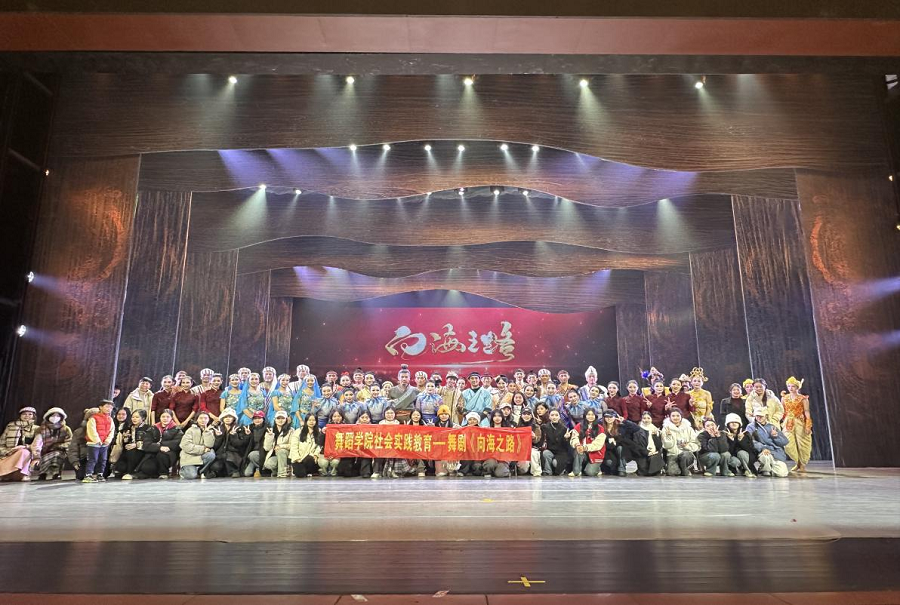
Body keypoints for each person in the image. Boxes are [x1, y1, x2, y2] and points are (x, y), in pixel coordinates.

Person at [135, 408, 183, 479]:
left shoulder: (177, 429)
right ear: (160, 418)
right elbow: (146, 444)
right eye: (163, 416)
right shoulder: (153, 428)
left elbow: (177, 443)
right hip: (154, 453)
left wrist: (162, 445)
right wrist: (159, 447)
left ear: (171, 418)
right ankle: (153, 473)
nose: (165, 419)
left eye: (168, 417)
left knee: (162, 455)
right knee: (147, 467)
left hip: (169, 453)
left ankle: (164, 473)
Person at [0, 406, 42, 482]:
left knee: (24, 452)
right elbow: (2, 442)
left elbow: (37, 445)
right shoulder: (11, 426)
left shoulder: (37, 429)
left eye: (30, 414)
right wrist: (7, 452)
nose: (27, 416)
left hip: (26, 453)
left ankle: (22, 474)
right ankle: (6, 474)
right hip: (8, 453)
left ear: (34, 416)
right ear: (20, 415)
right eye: (24, 414)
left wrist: (24, 447)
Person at [781, 376, 813, 474]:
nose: (790, 388)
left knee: (802, 442)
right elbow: (782, 411)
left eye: (793, 386)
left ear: (797, 387)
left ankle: (802, 464)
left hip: (799, 421)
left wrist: (808, 424)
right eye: (789, 386)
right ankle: (797, 461)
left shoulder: (803, 398)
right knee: (788, 443)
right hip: (788, 422)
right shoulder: (784, 398)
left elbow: (806, 411)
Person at [745, 407, 790, 477]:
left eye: (761, 416)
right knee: (766, 457)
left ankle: (771, 468)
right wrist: (763, 448)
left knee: (782, 473)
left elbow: (785, 442)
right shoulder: (751, 427)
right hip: (762, 451)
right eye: (757, 416)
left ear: (766, 416)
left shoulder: (772, 426)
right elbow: (750, 441)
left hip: (775, 452)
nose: (759, 418)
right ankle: (765, 469)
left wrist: (776, 436)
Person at [620, 410, 664, 476]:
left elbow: (659, 446)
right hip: (642, 453)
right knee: (643, 471)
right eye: (644, 418)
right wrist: (647, 452)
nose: (646, 420)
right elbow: (636, 446)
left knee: (654, 469)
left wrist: (654, 436)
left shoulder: (655, 430)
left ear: (651, 419)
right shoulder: (637, 430)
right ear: (641, 419)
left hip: (654, 452)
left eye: (648, 418)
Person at [82, 400, 115, 483]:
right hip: (94, 443)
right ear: (100, 407)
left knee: (103, 460)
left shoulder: (110, 419)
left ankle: (100, 474)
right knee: (93, 459)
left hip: (104, 444)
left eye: (111, 407)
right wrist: (97, 440)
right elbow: (91, 430)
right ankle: (88, 475)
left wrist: (108, 440)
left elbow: (112, 431)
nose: (109, 409)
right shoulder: (93, 418)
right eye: (107, 406)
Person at [114, 409, 152, 480]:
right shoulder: (128, 427)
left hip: (143, 451)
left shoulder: (148, 428)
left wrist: (136, 445)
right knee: (120, 467)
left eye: (137, 417)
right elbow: (125, 441)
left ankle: (130, 472)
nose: (134, 419)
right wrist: (126, 439)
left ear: (143, 418)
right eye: (133, 417)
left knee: (132, 452)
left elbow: (149, 442)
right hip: (128, 450)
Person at [210, 408, 248, 478]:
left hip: (234, 455)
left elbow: (239, 445)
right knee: (216, 466)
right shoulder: (218, 429)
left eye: (230, 417)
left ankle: (234, 471)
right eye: (225, 417)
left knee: (227, 457)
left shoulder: (239, 428)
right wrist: (218, 437)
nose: (227, 418)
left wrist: (234, 436)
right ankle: (219, 473)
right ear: (222, 418)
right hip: (220, 454)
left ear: (234, 418)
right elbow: (215, 446)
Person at [178, 410, 216, 479]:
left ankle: (201, 471)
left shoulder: (210, 431)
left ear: (208, 420)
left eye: (205, 418)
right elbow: (185, 445)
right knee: (191, 476)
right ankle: (184, 471)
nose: (203, 420)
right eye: (201, 418)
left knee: (211, 454)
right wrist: (203, 449)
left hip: (201, 456)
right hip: (189, 457)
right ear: (197, 419)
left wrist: (207, 433)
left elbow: (209, 445)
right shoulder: (190, 430)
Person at [36, 407, 71, 481]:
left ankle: (56, 473)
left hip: (59, 450)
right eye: (53, 415)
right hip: (44, 450)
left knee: (57, 455)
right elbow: (37, 441)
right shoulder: (40, 429)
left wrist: (59, 446)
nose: (55, 417)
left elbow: (69, 441)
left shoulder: (66, 429)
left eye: (57, 416)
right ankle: (43, 473)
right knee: (45, 457)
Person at [661, 408, 699, 477]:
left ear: (681, 416)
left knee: (685, 455)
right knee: (672, 472)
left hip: (686, 453)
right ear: (670, 417)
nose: (675, 418)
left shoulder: (689, 428)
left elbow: (695, 443)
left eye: (677, 416)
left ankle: (685, 469)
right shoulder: (666, 428)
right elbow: (666, 446)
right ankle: (680, 468)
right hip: (672, 454)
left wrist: (686, 446)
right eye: (673, 416)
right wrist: (669, 436)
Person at [569, 408, 606, 477]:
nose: (590, 416)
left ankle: (597, 469)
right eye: (588, 414)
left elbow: (598, 445)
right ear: (585, 416)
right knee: (577, 450)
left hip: (595, 453)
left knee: (590, 473)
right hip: (582, 451)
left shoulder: (600, 428)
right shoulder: (579, 426)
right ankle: (576, 471)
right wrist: (577, 445)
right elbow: (574, 438)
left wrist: (585, 447)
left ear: (595, 416)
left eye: (592, 415)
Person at [723, 413, 756, 478]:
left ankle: (747, 470)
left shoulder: (745, 433)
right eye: (731, 422)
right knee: (735, 461)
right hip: (732, 457)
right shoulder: (724, 434)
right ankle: (733, 470)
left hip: (745, 457)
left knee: (741, 453)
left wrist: (741, 440)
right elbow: (726, 451)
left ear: (739, 424)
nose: (734, 424)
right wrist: (731, 440)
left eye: (736, 422)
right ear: (728, 424)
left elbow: (750, 450)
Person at [263, 410, 294, 478]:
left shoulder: (291, 430)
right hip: (275, 455)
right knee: (269, 464)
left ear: (286, 419)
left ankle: (282, 474)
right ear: (275, 419)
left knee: (281, 451)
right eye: (278, 418)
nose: (280, 420)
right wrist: (270, 436)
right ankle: (277, 471)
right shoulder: (270, 430)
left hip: (287, 454)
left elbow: (293, 445)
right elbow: (267, 448)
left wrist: (281, 446)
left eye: (282, 418)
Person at [481, 409, 512, 478]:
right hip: (491, 455)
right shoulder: (487, 430)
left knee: (499, 474)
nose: (497, 418)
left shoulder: (508, 430)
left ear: (502, 417)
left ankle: (505, 471)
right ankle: (488, 472)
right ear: (492, 418)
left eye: (499, 416)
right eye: (495, 416)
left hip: (503, 456)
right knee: (490, 464)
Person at [67, 408, 96, 480]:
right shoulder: (78, 432)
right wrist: (75, 461)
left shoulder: (106, 431)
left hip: (99, 459)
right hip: (84, 458)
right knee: (81, 476)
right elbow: (73, 449)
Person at [540, 409, 571, 476]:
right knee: (545, 453)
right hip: (550, 450)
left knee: (555, 463)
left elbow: (566, 447)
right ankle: (548, 471)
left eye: (556, 415)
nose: (554, 417)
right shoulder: (545, 427)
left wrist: (566, 438)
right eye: (552, 415)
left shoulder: (564, 429)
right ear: (549, 417)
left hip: (561, 453)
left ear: (559, 417)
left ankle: (561, 470)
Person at [290, 414, 322, 478]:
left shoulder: (319, 431)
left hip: (311, 458)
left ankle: (310, 471)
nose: (311, 422)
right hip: (299, 458)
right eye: (309, 420)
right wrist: (297, 458)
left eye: (313, 420)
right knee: (300, 474)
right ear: (306, 421)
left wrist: (316, 454)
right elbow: (294, 446)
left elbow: (319, 446)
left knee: (310, 460)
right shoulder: (298, 431)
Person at [374, 407, 401, 478]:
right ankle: (377, 471)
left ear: (395, 414)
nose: (389, 415)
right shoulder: (381, 423)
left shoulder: (398, 423)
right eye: (388, 413)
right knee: (378, 450)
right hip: (383, 443)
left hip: (394, 443)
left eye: (391, 413)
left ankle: (393, 471)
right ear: (384, 414)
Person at [242, 410, 270, 477]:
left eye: (259, 418)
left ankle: (259, 468)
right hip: (251, 454)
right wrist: (247, 435)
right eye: (255, 418)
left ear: (263, 419)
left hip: (263, 452)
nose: (257, 420)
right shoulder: (249, 428)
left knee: (252, 454)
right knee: (247, 473)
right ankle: (256, 465)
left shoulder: (268, 428)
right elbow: (243, 443)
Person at [516, 407, 543, 477]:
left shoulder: (536, 427)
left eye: (528, 414)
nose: (526, 416)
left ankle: (536, 471)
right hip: (520, 449)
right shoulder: (517, 427)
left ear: (531, 416)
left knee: (533, 453)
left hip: (532, 448)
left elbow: (538, 440)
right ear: (521, 415)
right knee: (523, 469)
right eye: (524, 414)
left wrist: (534, 437)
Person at [317, 409, 344, 477]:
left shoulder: (345, 428)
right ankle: (323, 472)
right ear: (331, 418)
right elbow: (319, 442)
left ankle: (334, 472)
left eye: (339, 416)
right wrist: (322, 433)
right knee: (323, 463)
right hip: (325, 452)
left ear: (342, 417)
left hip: (338, 453)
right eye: (334, 416)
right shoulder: (327, 428)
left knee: (335, 462)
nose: (337, 418)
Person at [433, 405, 457, 477]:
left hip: (450, 446)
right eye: (441, 414)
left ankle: (452, 470)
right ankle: (440, 470)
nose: (444, 416)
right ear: (438, 416)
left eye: (446, 414)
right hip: (438, 447)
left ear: (449, 415)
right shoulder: (434, 425)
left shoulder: (454, 426)